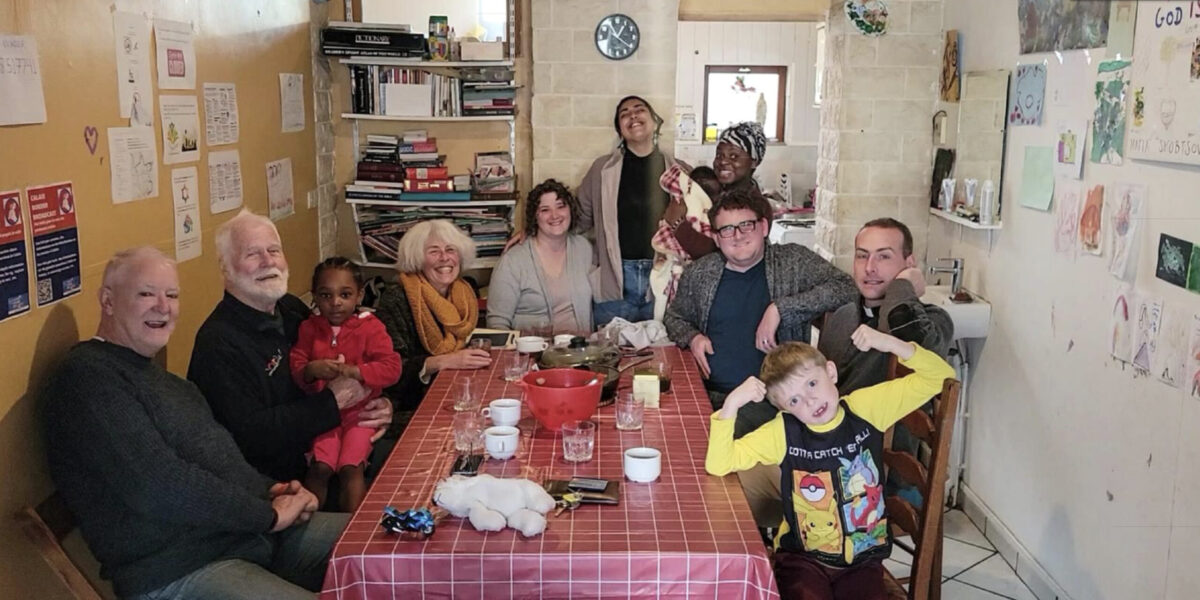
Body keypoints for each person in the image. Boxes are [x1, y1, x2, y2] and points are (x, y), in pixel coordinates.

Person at [44, 247, 346, 600]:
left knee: (392, 541)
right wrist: (265, 514)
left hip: (247, 538)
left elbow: (220, 464)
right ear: (107, 301)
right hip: (181, 569)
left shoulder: (169, 383)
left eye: (171, 295)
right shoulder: (88, 377)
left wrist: (275, 492)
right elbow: (157, 484)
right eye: (146, 294)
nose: (162, 306)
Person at [705, 326, 955, 599]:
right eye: (794, 400)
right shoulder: (783, 432)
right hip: (803, 559)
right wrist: (731, 405)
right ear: (784, 409)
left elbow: (941, 377)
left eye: (812, 384)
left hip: (862, 559)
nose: (810, 400)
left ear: (831, 373)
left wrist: (891, 343)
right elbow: (719, 463)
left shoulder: (866, 409)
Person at [664, 185, 855, 533]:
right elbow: (674, 317)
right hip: (709, 393)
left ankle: (724, 540)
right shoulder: (701, 274)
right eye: (726, 230)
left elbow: (845, 287)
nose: (737, 237)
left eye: (746, 226)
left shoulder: (792, 262)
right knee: (665, 435)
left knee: (702, 459)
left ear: (764, 228)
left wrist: (781, 308)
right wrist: (693, 337)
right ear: (717, 237)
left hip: (771, 403)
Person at [190, 210, 391, 483]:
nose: (267, 261)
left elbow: (354, 361)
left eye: (274, 250)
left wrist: (378, 403)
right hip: (280, 488)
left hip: (334, 442)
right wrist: (332, 402)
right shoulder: (218, 344)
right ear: (225, 268)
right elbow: (251, 437)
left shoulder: (291, 309)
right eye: (252, 254)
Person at [290, 257, 401, 511]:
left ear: (359, 295)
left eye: (345, 294)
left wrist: (358, 372)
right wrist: (310, 370)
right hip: (323, 414)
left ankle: (353, 530)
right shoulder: (309, 328)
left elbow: (391, 367)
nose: (336, 303)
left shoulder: (371, 328)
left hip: (360, 415)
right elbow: (296, 364)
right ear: (315, 297)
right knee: (320, 467)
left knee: (351, 468)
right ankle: (309, 528)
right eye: (326, 295)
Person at [577, 95, 688, 326]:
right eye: (624, 114)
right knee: (608, 356)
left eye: (639, 110)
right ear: (620, 129)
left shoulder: (682, 172)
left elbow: (698, 227)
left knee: (662, 357)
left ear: (655, 121)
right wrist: (532, 232)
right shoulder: (601, 170)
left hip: (663, 277)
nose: (633, 116)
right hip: (615, 280)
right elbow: (577, 219)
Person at [818, 218, 954, 395]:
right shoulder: (843, 316)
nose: (869, 267)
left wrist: (904, 283)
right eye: (862, 255)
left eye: (884, 256)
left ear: (909, 262)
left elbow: (901, 325)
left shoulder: (934, 320)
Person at [375, 219, 491, 407]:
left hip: (455, 389)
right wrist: (443, 361)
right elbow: (391, 370)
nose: (445, 258)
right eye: (434, 251)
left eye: (451, 250)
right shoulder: (397, 298)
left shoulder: (465, 292)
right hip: (410, 404)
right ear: (417, 259)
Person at [487, 179, 593, 334]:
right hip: (533, 353)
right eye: (545, 210)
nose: (555, 215)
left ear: (571, 209)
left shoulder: (584, 248)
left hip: (581, 352)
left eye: (561, 206)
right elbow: (497, 323)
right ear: (534, 217)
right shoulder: (513, 261)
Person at [713, 121, 767, 190]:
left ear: (754, 162)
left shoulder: (755, 200)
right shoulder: (709, 195)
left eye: (733, 156)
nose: (723, 161)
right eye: (719, 155)